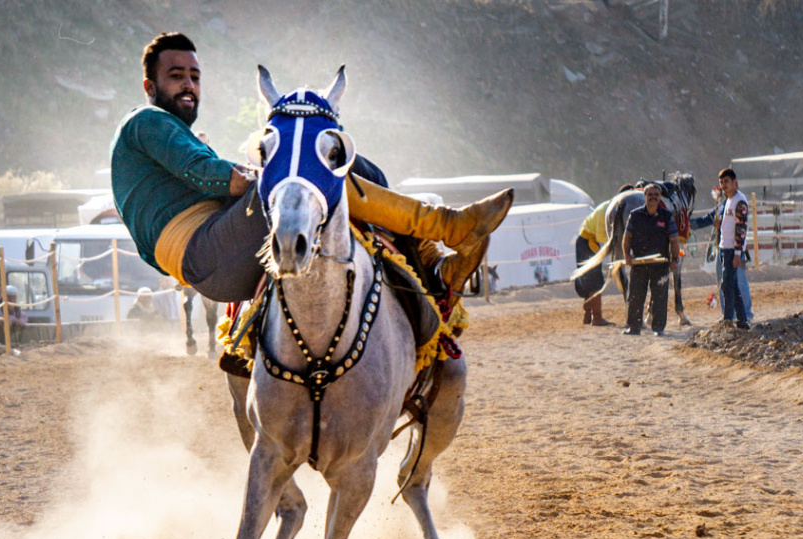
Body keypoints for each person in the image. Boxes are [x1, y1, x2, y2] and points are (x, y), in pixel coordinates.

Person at [110, 32, 509, 307]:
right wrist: (253, 172)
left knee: (318, 171)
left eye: (195, 77)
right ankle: (445, 229)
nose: (189, 85)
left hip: (214, 257)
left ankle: (435, 262)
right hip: (207, 252)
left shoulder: (163, 133)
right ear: (149, 87)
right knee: (310, 170)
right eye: (176, 76)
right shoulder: (147, 121)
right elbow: (207, 172)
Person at [621, 183, 679, 337]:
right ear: (645, 197)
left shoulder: (667, 216)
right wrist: (627, 255)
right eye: (650, 195)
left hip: (661, 264)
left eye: (656, 195)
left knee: (660, 297)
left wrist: (675, 260)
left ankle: (658, 328)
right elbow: (626, 238)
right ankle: (633, 327)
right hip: (639, 264)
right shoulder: (635, 215)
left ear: (660, 197)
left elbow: (674, 240)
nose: (653, 198)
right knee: (635, 296)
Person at [714, 169, 750, 329]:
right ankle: (742, 320)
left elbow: (741, 229)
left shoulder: (739, 201)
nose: (723, 186)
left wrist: (737, 253)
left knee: (727, 285)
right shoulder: (728, 201)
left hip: (732, 250)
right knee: (732, 285)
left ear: (735, 182)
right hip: (724, 247)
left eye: (726, 182)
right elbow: (728, 225)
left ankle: (728, 318)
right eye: (721, 183)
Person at [573, 197, 614, 326]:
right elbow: (602, 236)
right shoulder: (605, 210)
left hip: (585, 242)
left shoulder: (605, 207)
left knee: (588, 280)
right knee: (595, 281)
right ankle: (596, 317)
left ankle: (588, 315)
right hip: (588, 243)